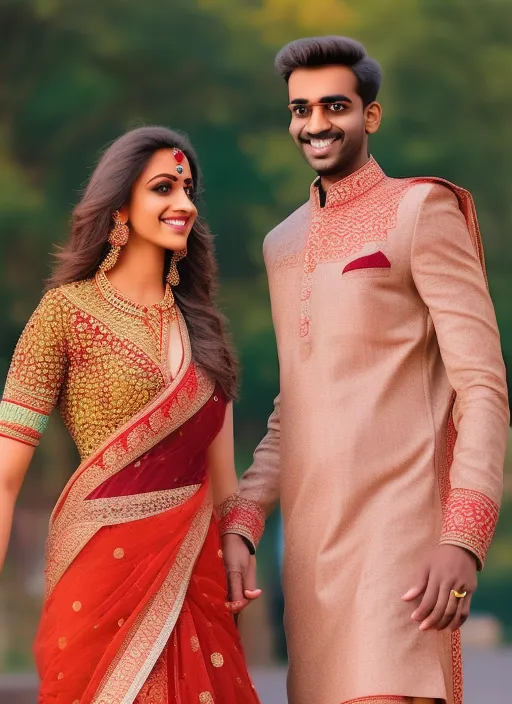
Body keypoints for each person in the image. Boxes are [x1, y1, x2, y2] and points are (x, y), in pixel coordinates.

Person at [221, 36, 510, 704]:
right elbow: (295, 407)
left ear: (370, 116)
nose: (315, 124)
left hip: (404, 538)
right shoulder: (282, 243)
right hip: (315, 557)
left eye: (334, 106)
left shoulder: (422, 210)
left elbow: (483, 386)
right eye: (301, 110)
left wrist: (463, 538)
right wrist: (244, 516)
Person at [0, 126, 262, 703]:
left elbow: (223, 485)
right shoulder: (64, 313)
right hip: (98, 572)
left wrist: (240, 545)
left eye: (189, 189)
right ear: (120, 206)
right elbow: (6, 475)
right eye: (163, 188)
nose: (184, 204)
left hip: (195, 574)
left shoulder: (204, 328)